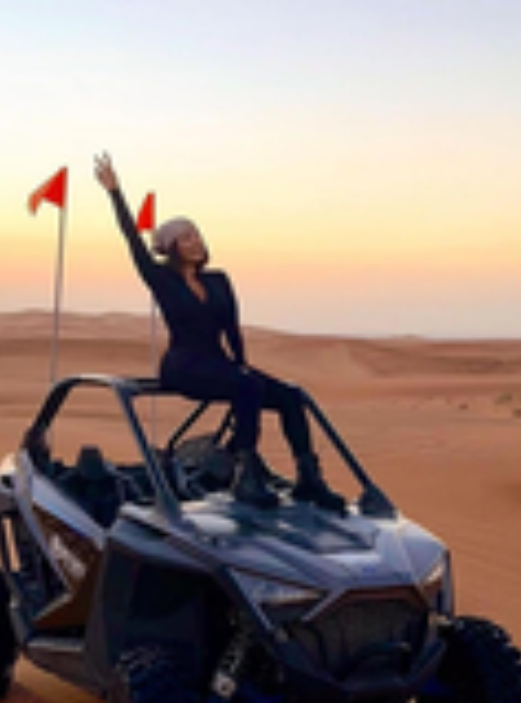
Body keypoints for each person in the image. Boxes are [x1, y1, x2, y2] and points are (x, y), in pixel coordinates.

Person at [94, 152, 345, 512]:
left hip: (220, 364)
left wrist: (242, 365)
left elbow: (232, 330)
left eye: (197, 234)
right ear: (171, 248)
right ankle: (245, 473)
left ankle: (309, 478)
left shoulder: (219, 280)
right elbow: (132, 240)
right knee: (247, 385)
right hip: (183, 366)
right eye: (186, 237)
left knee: (290, 396)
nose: (196, 241)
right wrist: (115, 192)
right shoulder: (161, 279)